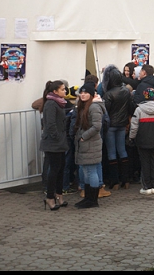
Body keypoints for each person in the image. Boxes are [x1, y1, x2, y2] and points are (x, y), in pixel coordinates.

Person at [130, 88, 154, 195]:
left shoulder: (139, 110)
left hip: (143, 140)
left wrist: (132, 138)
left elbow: (134, 126)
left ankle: (146, 186)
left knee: (145, 162)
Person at [101, 65, 133, 190]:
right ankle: (125, 180)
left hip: (110, 126)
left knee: (111, 152)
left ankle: (114, 182)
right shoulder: (126, 91)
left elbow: (105, 111)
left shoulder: (108, 94)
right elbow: (130, 107)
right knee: (122, 150)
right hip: (122, 124)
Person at [73, 82, 105, 209]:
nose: (83, 95)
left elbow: (97, 126)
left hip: (91, 143)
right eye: (82, 92)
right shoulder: (83, 106)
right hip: (85, 143)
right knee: (86, 171)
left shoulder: (94, 107)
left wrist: (83, 136)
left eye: (86, 93)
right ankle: (88, 197)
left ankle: (92, 199)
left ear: (92, 94)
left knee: (91, 171)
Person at [40, 80, 69, 211]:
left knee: (61, 168)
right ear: (55, 92)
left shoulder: (60, 103)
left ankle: (59, 194)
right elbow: (50, 124)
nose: (65, 91)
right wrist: (57, 136)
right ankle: (50, 197)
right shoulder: (51, 104)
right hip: (53, 142)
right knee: (54, 169)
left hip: (60, 141)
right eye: (62, 89)